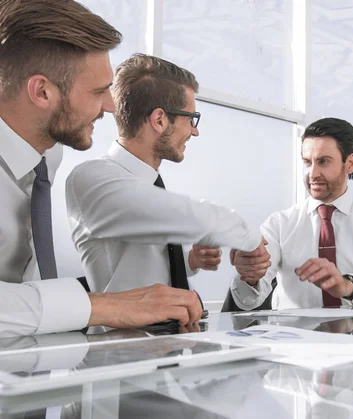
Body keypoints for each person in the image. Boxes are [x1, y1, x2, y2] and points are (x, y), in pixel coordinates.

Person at [0, 0, 202, 337]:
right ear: (42, 91)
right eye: (98, 91)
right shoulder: (93, 177)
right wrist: (108, 306)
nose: (111, 106)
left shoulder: (47, 157)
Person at [66, 53, 267, 295]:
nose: (194, 132)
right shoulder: (91, 178)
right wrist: (252, 240)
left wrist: (190, 261)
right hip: (125, 334)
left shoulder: (149, 186)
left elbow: (137, 266)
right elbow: (200, 219)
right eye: (191, 119)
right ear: (159, 120)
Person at [230, 117, 353, 310]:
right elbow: (248, 302)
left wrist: (347, 285)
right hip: (293, 337)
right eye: (307, 162)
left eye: (323, 162)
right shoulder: (278, 224)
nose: (313, 173)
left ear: (349, 163)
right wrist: (250, 277)